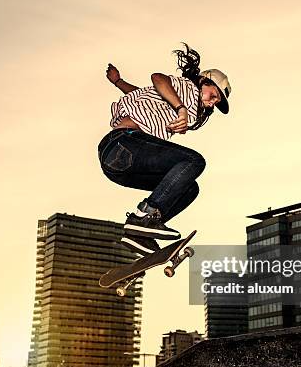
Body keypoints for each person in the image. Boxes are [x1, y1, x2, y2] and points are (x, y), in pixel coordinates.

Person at [97, 43, 231, 256]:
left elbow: (143, 94)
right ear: (203, 82)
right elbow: (158, 79)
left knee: (188, 188)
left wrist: (118, 82)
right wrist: (181, 108)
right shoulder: (187, 88)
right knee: (194, 161)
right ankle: (145, 216)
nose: (211, 103)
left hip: (121, 166)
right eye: (213, 95)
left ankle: (141, 232)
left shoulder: (186, 107)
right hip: (123, 144)